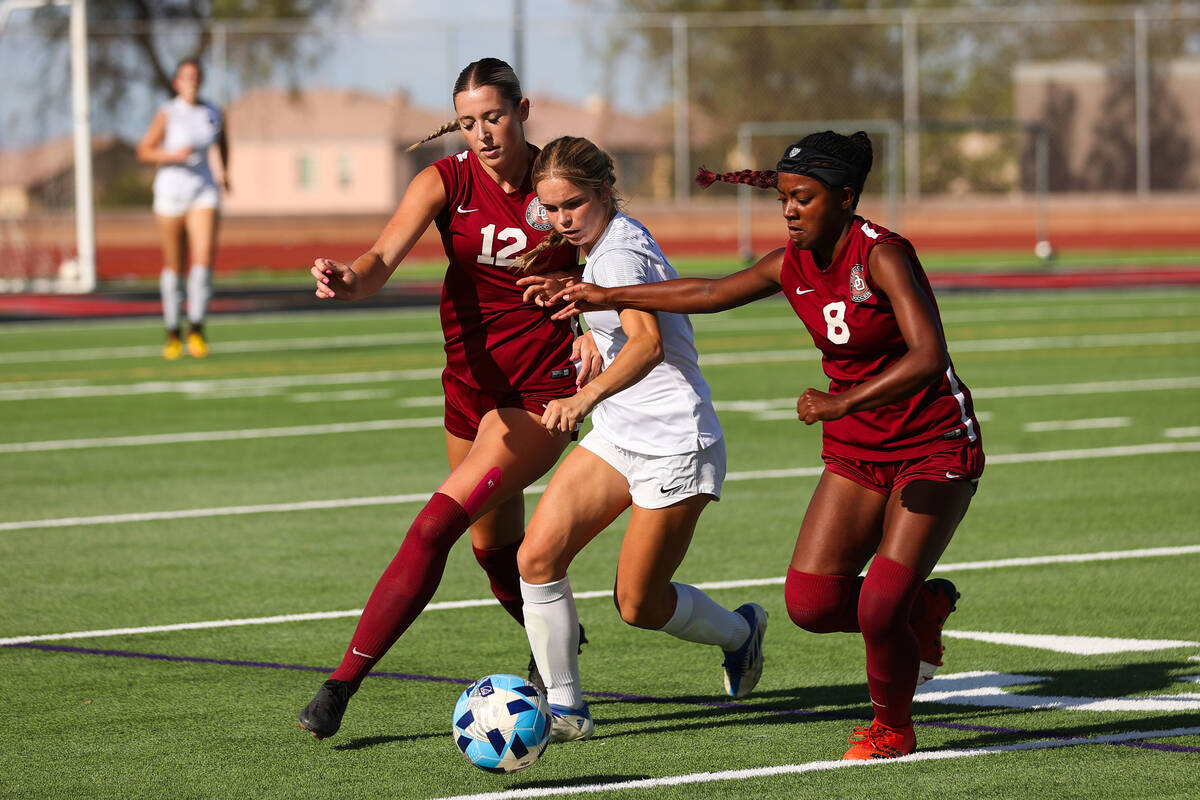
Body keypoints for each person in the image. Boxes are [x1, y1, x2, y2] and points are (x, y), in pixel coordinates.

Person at [539, 131, 983, 760]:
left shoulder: (882, 255)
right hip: (859, 446)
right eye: (784, 199)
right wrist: (602, 296)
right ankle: (926, 607)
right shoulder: (790, 261)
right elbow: (710, 294)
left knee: (881, 603)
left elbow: (929, 354)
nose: (790, 210)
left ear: (846, 198)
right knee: (810, 602)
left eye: (803, 198)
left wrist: (841, 402)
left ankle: (892, 728)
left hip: (931, 444)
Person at [296, 58, 601, 741]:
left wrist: (591, 325)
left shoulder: (560, 184)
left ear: (522, 110)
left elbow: (616, 263)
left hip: (540, 395)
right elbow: (378, 261)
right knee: (495, 554)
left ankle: (340, 686)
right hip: (468, 389)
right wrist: (348, 279)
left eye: (494, 116)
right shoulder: (444, 180)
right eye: (468, 122)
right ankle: (558, 639)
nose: (483, 134)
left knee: (434, 524)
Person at [513, 136, 768, 743]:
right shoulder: (602, 244)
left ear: (604, 191)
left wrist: (582, 397)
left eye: (572, 204)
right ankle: (568, 709)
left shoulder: (618, 254)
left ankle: (740, 633)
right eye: (550, 209)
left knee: (639, 605)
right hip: (622, 432)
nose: (560, 220)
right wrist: (588, 332)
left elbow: (650, 343)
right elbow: (619, 320)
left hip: (676, 443)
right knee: (537, 558)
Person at [136, 58, 228, 360]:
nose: (192, 81)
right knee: (174, 267)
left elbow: (222, 143)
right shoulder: (169, 112)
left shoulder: (212, 111)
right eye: (186, 77)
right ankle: (172, 330)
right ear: (177, 82)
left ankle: (197, 329)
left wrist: (224, 172)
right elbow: (145, 150)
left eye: (196, 76)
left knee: (202, 266)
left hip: (203, 193)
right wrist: (173, 155)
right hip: (171, 194)